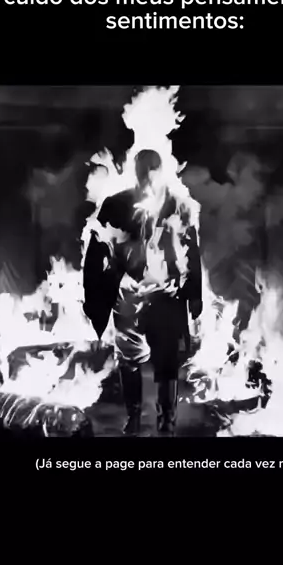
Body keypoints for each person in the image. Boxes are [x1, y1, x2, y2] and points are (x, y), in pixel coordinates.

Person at [83, 149, 202, 436]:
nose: (147, 176)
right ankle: (134, 416)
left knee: (167, 360)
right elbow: (97, 249)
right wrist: (100, 290)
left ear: (160, 171)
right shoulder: (116, 205)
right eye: (142, 170)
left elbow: (191, 249)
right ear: (134, 172)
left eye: (152, 170)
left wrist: (191, 291)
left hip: (166, 296)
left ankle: (167, 421)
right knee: (129, 359)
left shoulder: (177, 205)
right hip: (128, 295)